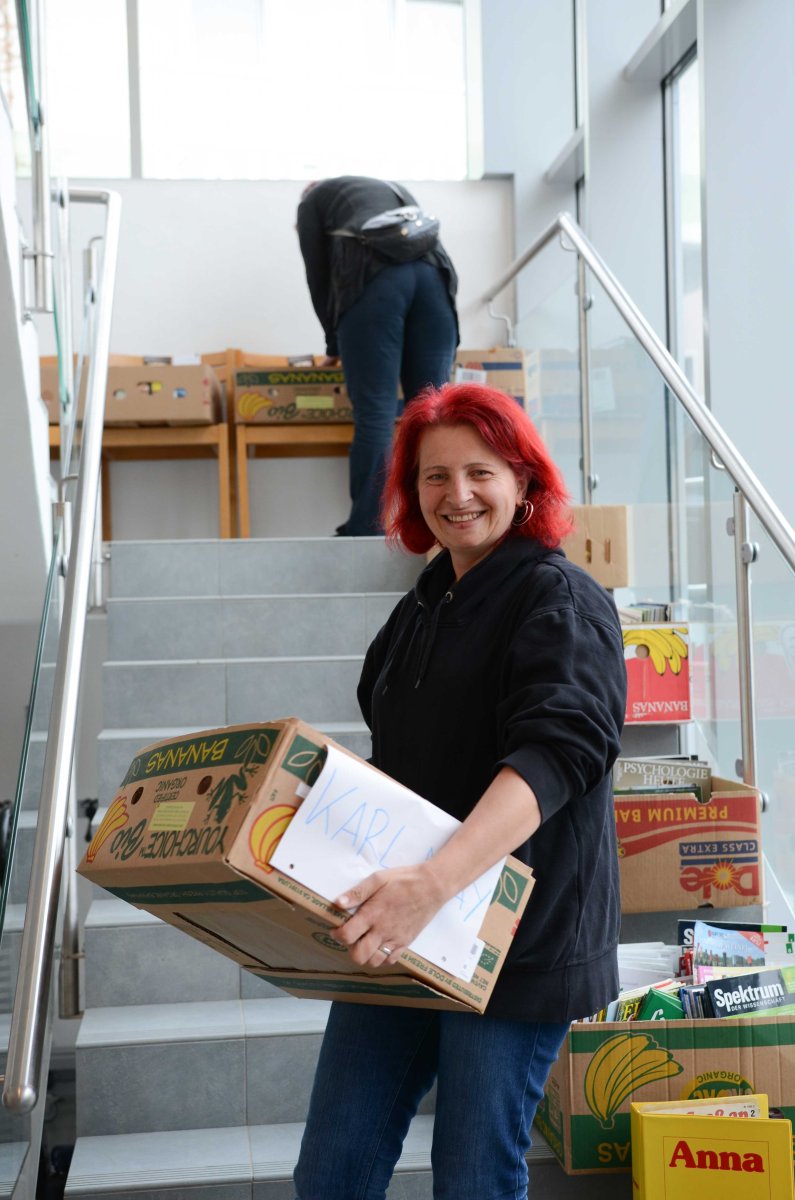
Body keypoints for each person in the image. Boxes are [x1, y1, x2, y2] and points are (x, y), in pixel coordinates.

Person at [292, 382, 628, 1200]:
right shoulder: (423, 605)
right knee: (331, 1172)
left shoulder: (559, 600)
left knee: (474, 1178)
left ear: (522, 480)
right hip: (404, 925)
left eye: (480, 472)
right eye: (434, 476)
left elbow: (557, 754)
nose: (458, 494)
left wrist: (431, 884)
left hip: (513, 940)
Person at [296, 175, 459, 536]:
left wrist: (333, 343)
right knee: (433, 414)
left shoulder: (312, 201)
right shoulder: (394, 189)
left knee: (375, 415)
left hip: (373, 284)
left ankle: (366, 528)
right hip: (435, 280)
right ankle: (439, 522)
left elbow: (318, 274)